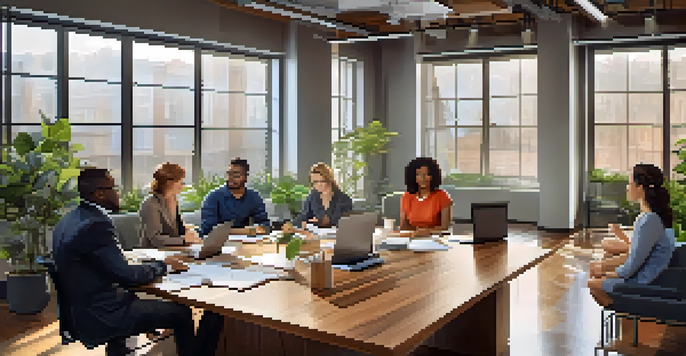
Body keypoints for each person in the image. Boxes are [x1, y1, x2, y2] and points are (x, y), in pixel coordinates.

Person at [52, 168, 195, 356]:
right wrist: (165, 265)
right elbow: (126, 276)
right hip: (106, 312)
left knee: (149, 300)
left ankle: (119, 351)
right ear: (99, 193)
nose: (117, 194)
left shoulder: (69, 219)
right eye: (114, 188)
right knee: (181, 313)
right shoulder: (96, 224)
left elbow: (105, 264)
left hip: (82, 309)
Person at [587, 163, 675, 307]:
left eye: (630, 183)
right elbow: (635, 254)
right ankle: (627, 314)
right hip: (649, 277)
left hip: (645, 282)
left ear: (640, 187)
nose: (627, 188)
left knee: (593, 283)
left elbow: (631, 267)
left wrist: (606, 274)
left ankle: (629, 311)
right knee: (603, 264)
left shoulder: (650, 220)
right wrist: (604, 268)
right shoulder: (651, 217)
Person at [199, 158, 271, 237]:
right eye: (229, 174)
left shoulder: (254, 197)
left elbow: (265, 226)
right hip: (218, 243)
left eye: (236, 175)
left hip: (246, 243)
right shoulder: (213, 197)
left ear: (245, 177)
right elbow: (208, 229)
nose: (230, 178)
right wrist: (247, 231)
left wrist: (251, 230)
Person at [139, 162, 203, 248]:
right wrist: (184, 240)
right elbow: (155, 239)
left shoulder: (173, 199)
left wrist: (189, 232)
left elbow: (178, 226)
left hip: (173, 250)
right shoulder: (150, 204)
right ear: (169, 183)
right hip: (154, 253)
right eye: (180, 183)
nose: (182, 186)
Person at [399, 157, 453, 237]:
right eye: (419, 175)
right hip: (412, 239)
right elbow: (404, 227)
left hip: (435, 240)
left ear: (432, 176)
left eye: (427, 174)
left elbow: (444, 228)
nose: (423, 178)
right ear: (414, 177)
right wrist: (414, 234)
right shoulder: (407, 197)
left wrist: (426, 232)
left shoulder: (442, 196)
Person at [293, 162, 353, 229]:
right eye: (315, 182)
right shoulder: (312, 196)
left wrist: (322, 222)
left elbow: (344, 222)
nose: (318, 185)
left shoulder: (343, 199)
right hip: (316, 235)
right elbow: (303, 216)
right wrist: (291, 225)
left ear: (329, 180)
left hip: (338, 236)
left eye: (321, 181)